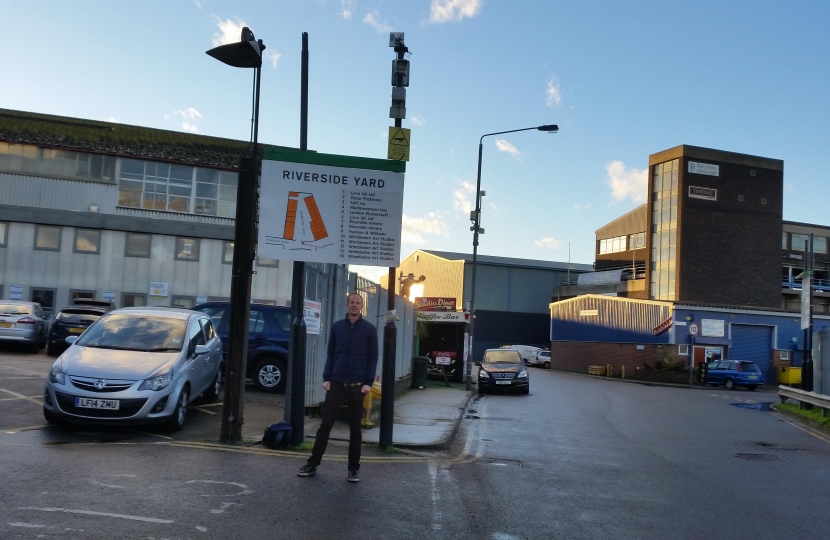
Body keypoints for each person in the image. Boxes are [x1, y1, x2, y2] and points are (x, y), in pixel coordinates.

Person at [297, 292, 378, 482]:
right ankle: (312, 464)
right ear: (347, 304)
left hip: (358, 386)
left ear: (362, 306)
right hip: (336, 383)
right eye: (352, 302)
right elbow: (331, 354)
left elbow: (373, 357)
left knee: (355, 430)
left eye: (358, 303)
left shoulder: (369, 330)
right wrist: (327, 377)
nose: (354, 305)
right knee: (325, 426)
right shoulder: (337, 327)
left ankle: (353, 469)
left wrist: (368, 382)